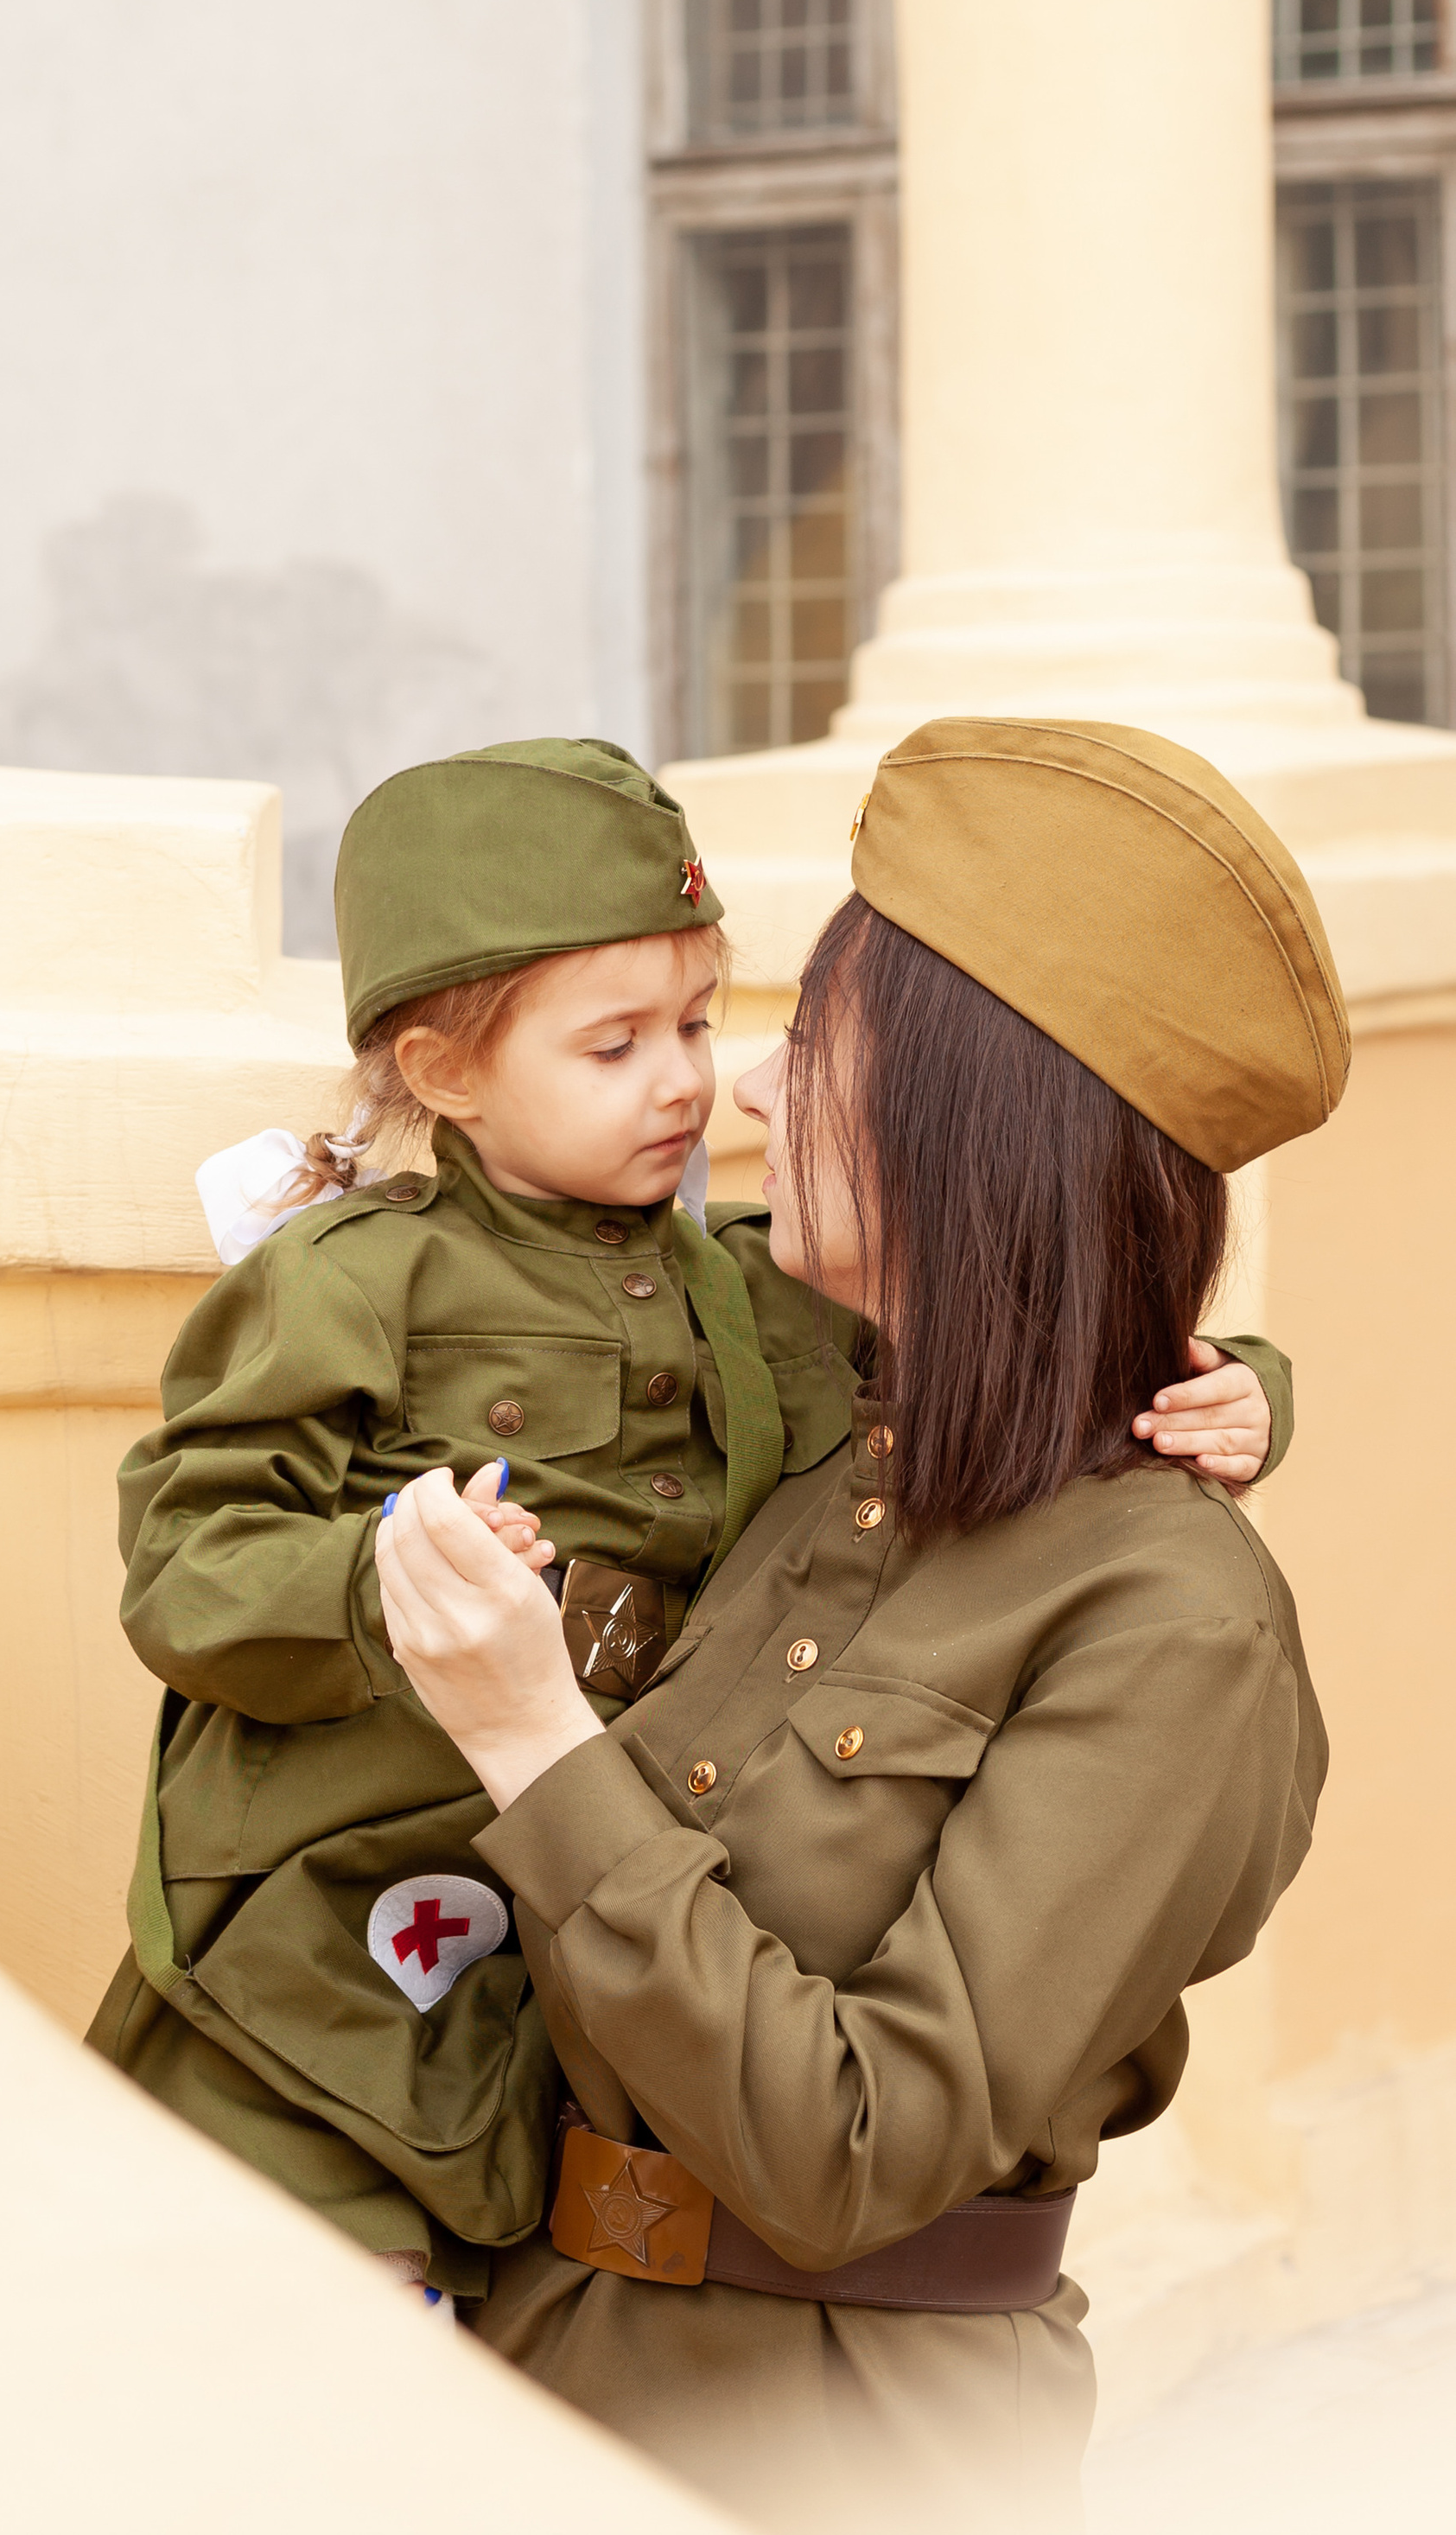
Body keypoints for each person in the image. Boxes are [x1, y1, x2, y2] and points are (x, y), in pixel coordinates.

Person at [88, 731, 1292, 2312]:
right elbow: (190, 1551)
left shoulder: (768, 1314)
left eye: (713, 1024)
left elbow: (1037, 1332)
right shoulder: (372, 1283)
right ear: (446, 1073)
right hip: (368, 1985)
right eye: (615, 1045)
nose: (712, 1083)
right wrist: (388, 1592)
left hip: (745, 2300)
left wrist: (1232, 1387)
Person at [372, 715, 1340, 2535]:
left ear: (973, 1120)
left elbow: (852, 2147)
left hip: (840, 2503)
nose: (744, 1087)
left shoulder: (1171, 1623)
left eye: (812, 1043)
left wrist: (530, 1741)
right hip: (546, 2395)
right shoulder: (822, 1444)